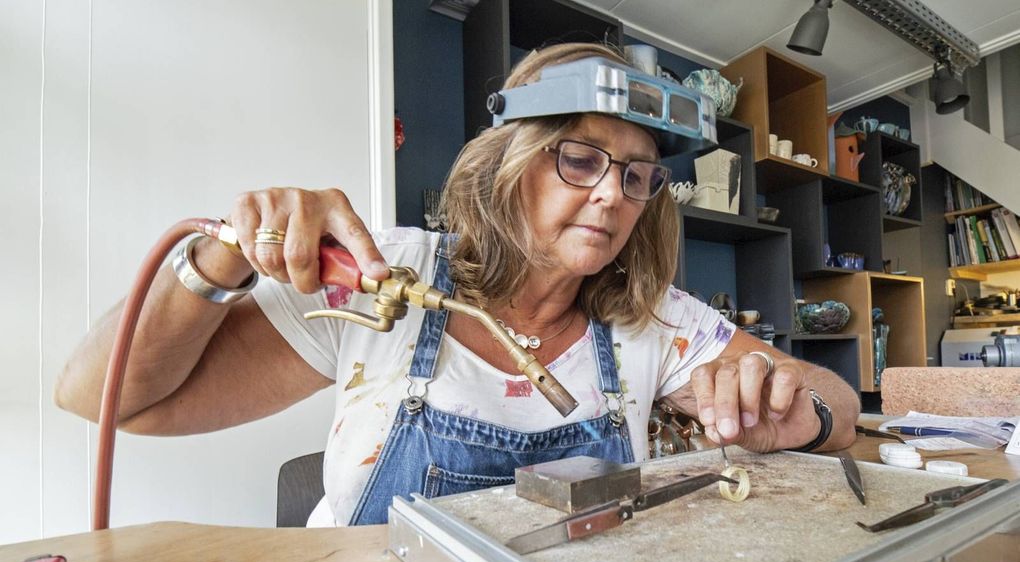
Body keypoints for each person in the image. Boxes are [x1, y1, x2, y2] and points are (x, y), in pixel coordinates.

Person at [55, 42, 859, 527]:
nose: (613, 194)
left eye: (639, 174)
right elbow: (103, 397)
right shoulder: (383, 281)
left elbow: (841, 403)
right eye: (581, 158)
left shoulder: (649, 323)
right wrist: (219, 258)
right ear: (511, 166)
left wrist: (797, 410)